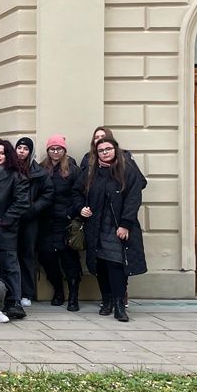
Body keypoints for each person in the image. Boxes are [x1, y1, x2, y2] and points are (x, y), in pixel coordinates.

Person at [76, 136, 147, 323]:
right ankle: (106, 300)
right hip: (96, 225)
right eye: (101, 150)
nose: (105, 152)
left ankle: (119, 304)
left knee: (116, 264)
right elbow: (77, 192)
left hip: (117, 226)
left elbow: (133, 198)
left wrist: (125, 224)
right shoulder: (91, 171)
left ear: (115, 149)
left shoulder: (127, 170)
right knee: (100, 265)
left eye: (108, 149)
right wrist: (81, 208)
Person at [0, 138, 30, 319]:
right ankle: (0, 301)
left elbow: (22, 203)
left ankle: (15, 301)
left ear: (8, 154)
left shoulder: (17, 175)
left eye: (2, 153)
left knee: (10, 266)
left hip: (6, 230)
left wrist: (5, 221)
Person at [39, 135, 83, 311]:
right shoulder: (42, 168)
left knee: (69, 261)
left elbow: (78, 194)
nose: (55, 152)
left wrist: (69, 213)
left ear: (64, 150)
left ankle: (73, 296)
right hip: (46, 222)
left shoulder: (73, 170)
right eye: (52, 149)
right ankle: (58, 290)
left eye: (58, 148)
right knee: (47, 259)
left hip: (65, 223)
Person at [14, 137, 55, 307]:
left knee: (27, 255)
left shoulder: (39, 172)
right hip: (11, 219)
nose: (22, 151)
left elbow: (48, 194)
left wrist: (34, 209)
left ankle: (27, 293)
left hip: (30, 220)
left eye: (25, 149)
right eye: (19, 148)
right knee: (11, 255)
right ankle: (12, 291)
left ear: (30, 152)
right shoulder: (9, 168)